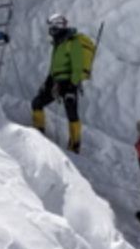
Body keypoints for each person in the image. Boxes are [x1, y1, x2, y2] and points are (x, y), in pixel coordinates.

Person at [30, 13, 97, 153]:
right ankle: (38, 132)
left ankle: (75, 145)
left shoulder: (73, 43)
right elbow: (55, 67)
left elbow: (77, 66)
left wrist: (72, 86)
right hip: (55, 82)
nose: (50, 31)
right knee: (37, 102)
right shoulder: (58, 44)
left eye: (52, 28)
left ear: (59, 27)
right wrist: (48, 82)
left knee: (71, 113)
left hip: (68, 83)